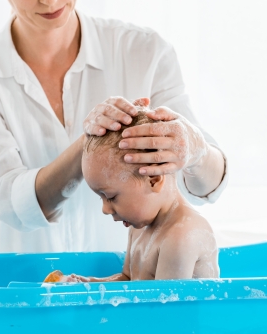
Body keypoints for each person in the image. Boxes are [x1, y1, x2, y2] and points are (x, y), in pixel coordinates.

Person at [0, 0, 228, 254]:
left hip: (122, 285)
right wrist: (90, 144)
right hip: (19, 287)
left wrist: (194, 148)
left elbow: (205, 187)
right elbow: (7, 202)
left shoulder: (144, 52)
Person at [64, 109, 219, 281]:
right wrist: (91, 284)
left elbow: (165, 306)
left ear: (153, 179)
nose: (105, 209)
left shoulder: (181, 236)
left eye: (110, 197)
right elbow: (128, 280)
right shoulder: (138, 227)